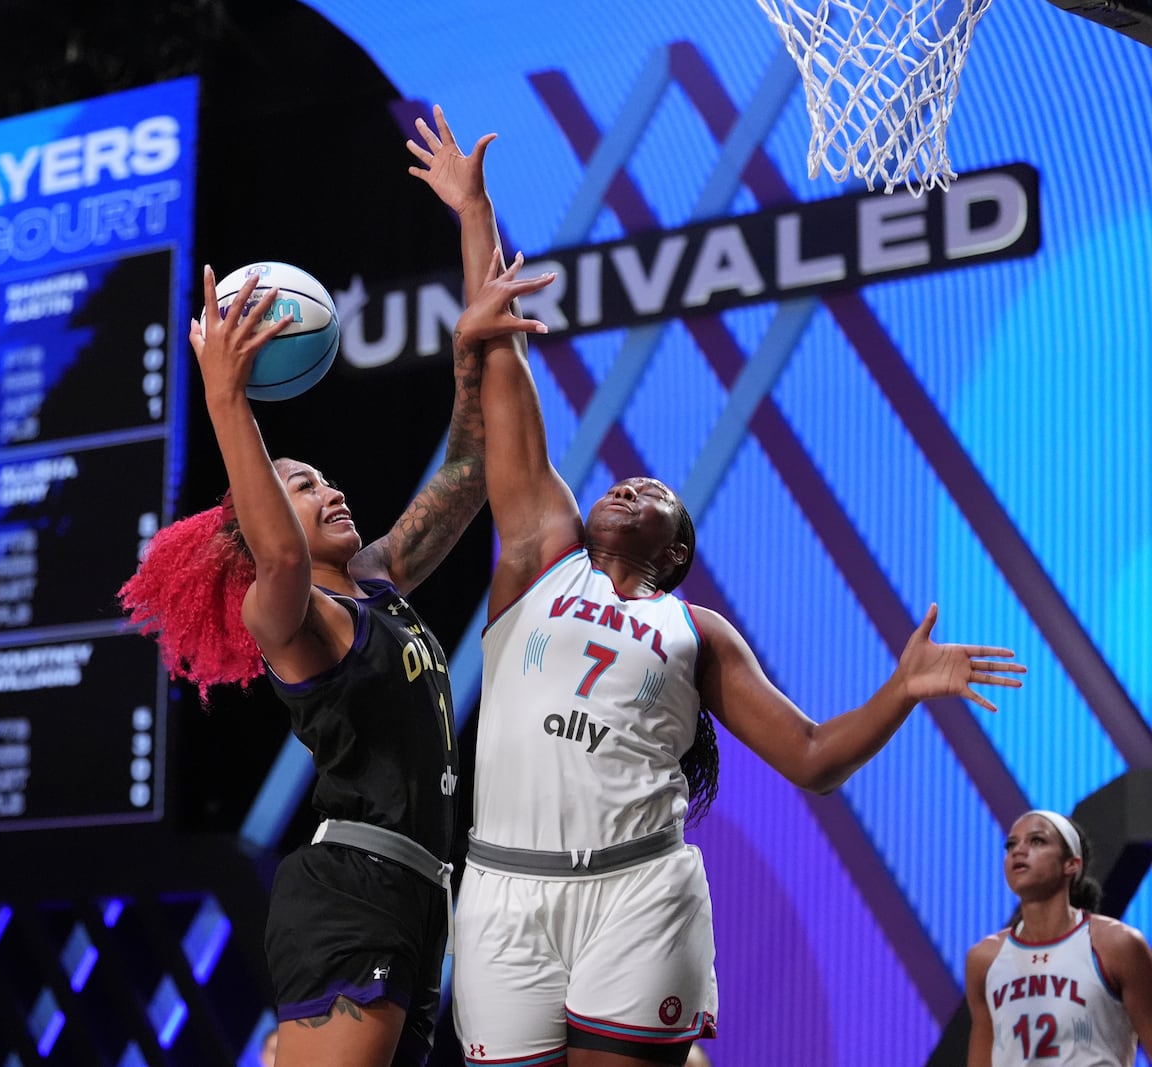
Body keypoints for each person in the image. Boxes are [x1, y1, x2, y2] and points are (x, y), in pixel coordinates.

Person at [405, 104, 1029, 1067]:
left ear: (675, 549)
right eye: (625, 478)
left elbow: (815, 756)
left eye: (658, 492)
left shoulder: (696, 632)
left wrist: (901, 691)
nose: (634, 480)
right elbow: (504, 353)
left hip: (637, 885)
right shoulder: (540, 550)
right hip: (502, 887)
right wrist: (473, 213)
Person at [118, 247, 527, 1064]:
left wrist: (467, 352)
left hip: (420, 893)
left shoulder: (375, 581)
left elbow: (470, 471)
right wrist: (227, 398)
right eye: (301, 487)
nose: (329, 490)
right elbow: (280, 558)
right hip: (353, 887)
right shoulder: (286, 615)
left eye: (323, 479)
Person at [964, 810, 1152, 1066]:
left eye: (1037, 841)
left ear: (1071, 864)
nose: (1018, 850)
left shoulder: (1116, 945)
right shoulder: (984, 959)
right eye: (1011, 845)